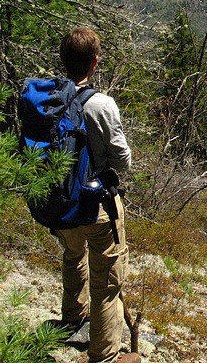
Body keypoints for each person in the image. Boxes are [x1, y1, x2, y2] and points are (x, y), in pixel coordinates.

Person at [56, 27, 139, 363]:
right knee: (107, 280)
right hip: (98, 203)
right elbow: (123, 160)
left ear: (63, 61)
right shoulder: (101, 104)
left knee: (72, 257)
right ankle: (104, 355)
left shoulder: (48, 98)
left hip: (60, 199)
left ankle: (72, 319)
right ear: (94, 62)